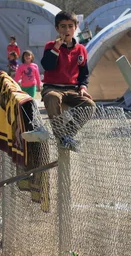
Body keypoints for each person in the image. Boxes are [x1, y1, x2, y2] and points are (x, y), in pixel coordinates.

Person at [41, 11, 96, 152]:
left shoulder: (81, 49)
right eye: (63, 26)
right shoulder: (50, 46)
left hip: (72, 89)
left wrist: (83, 87)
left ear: (76, 27)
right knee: (52, 98)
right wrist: (57, 48)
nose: (67, 30)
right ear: (57, 29)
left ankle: (68, 134)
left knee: (89, 105)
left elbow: (84, 73)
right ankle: (61, 136)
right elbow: (47, 65)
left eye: (70, 26)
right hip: (52, 87)